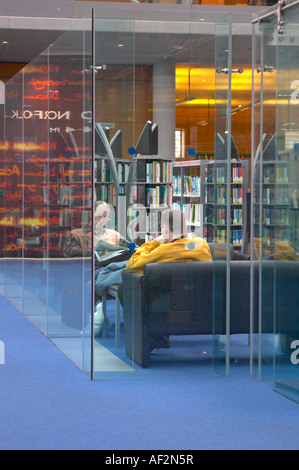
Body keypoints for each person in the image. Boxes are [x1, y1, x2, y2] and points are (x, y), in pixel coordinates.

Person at [121, 209, 212, 351]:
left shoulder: (164, 250)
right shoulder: (201, 244)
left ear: (164, 228)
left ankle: (154, 336)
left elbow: (131, 264)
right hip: (201, 299)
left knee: (125, 287)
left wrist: (155, 242)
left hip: (172, 301)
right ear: (185, 228)